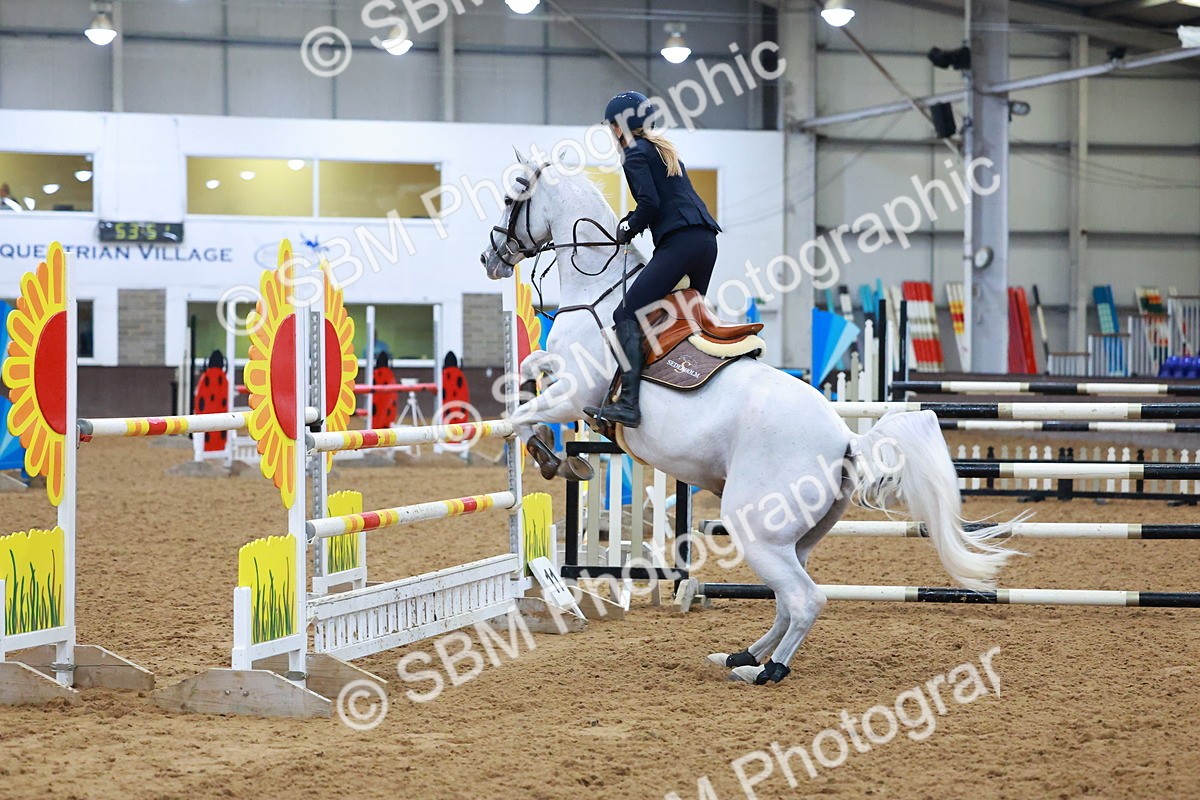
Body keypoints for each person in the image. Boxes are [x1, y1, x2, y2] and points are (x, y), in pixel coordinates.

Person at [583, 91, 721, 429]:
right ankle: (690, 392)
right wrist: (635, 220)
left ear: (619, 127)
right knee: (683, 318)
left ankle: (629, 403)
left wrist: (627, 228)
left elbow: (650, 203)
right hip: (706, 242)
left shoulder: (634, 153)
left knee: (625, 313)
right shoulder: (662, 150)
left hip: (680, 244)